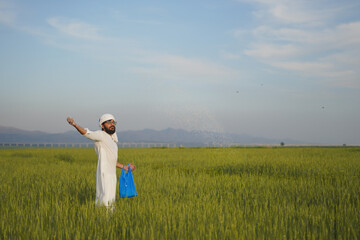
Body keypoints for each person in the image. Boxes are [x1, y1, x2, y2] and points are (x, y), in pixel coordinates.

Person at [66, 114, 135, 207]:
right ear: (102, 126)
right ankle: (102, 219)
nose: (112, 124)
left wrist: (125, 167)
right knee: (105, 199)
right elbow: (87, 133)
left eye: (113, 122)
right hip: (104, 173)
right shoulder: (101, 135)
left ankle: (106, 219)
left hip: (112, 174)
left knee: (110, 200)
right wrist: (75, 124)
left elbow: (112, 160)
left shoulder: (113, 141)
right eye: (109, 122)